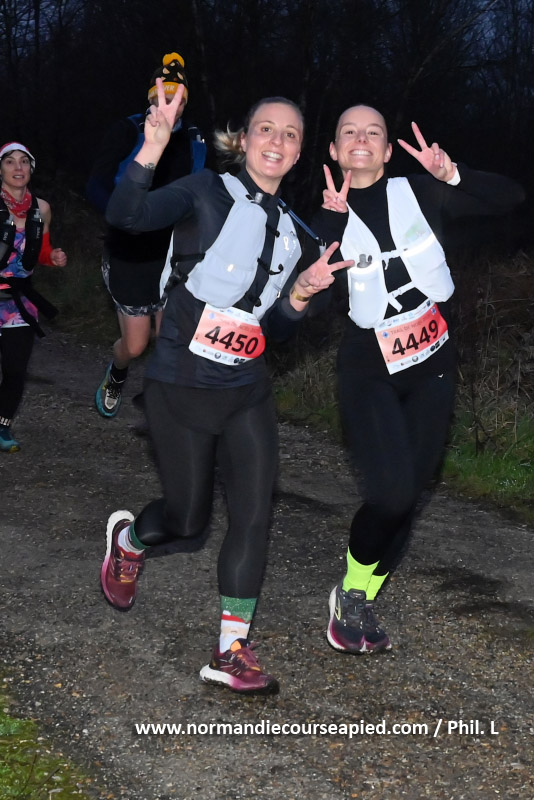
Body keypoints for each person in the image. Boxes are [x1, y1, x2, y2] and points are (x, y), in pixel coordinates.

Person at [99, 80, 353, 693]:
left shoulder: (293, 231)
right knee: (186, 521)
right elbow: (127, 216)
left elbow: (278, 327)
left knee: (253, 514)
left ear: (298, 154)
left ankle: (231, 649)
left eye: (290, 134)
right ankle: (129, 541)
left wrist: (301, 292)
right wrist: (152, 147)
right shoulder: (203, 190)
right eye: (267, 129)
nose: (277, 141)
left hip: (246, 390)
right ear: (243, 139)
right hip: (180, 384)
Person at [310, 106, 525, 654]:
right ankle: (352, 591)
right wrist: (329, 224)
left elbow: (510, 198)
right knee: (391, 493)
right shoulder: (322, 216)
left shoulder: (422, 192)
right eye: (349, 132)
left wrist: (452, 173)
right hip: (369, 363)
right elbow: (299, 293)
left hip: (433, 359)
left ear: (387, 150)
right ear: (334, 150)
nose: (361, 138)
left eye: (373, 132)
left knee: (409, 495)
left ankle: (359, 598)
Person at [87, 52, 206, 418]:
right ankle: (117, 373)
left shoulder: (195, 139)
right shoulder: (127, 130)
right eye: (163, 95)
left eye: (178, 97)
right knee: (136, 346)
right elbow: (96, 185)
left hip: (174, 255)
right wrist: (124, 219)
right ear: (152, 97)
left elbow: (203, 190)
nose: (171, 103)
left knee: (170, 338)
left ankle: (162, 402)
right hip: (130, 253)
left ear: (185, 102)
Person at [0, 142, 67, 453]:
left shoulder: (42, 208)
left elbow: (39, 250)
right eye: (10, 162)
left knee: (15, 370)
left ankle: (2, 425)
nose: (18, 167)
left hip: (19, 301)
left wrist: (52, 257)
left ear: (31, 168)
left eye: (24, 162)